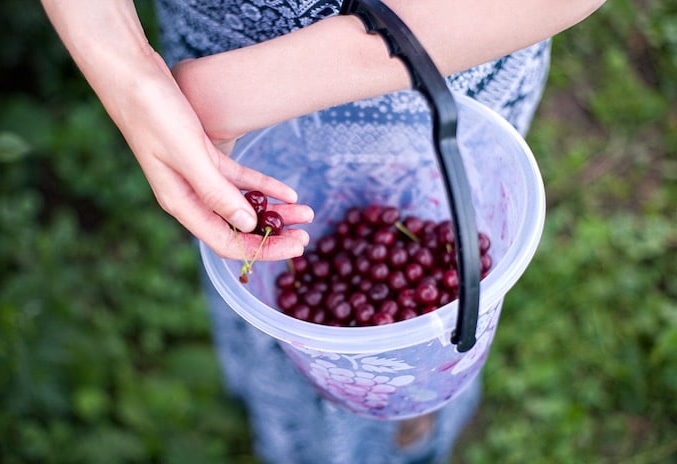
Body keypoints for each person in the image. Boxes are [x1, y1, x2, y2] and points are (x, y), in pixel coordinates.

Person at [40, 1, 606, 462]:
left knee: (424, 354)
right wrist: (131, 76)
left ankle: (413, 436)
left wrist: (228, 92)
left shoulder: (223, 97)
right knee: (281, 315)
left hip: (451, 70)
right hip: (216, 99)